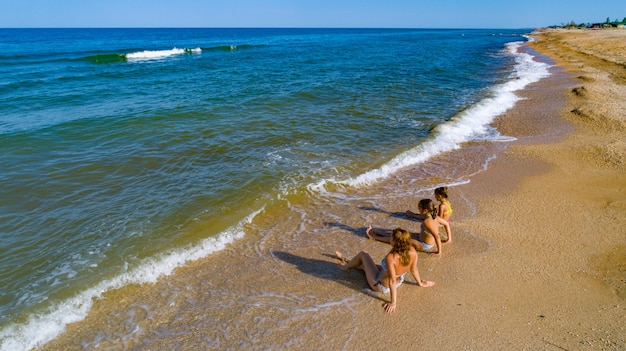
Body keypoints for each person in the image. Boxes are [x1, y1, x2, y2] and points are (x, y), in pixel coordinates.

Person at [334, 228, 435, 314]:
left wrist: (393, 303)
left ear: (395, 242)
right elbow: (414, 270)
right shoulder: (412, 251)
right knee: (364, 265)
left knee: (363, 254)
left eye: (391, 237)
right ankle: (348, 261)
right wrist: (420, 283)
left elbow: (392, 281)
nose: (389, 238)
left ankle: (345, 267)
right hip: (398, 281)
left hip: (380, 285)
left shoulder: (391, 258)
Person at [367, 198, 451, 254]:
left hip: (424, 244)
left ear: (425, 210)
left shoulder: (427, 222)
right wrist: (448, 239)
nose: (418, 209)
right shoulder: (433, 216)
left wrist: (439, 251)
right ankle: (378, 232)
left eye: (419, 208)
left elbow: (437, 236)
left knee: (397, 240)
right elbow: (446, 224)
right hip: (421, 237)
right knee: (399, 234)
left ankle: (374, 237)